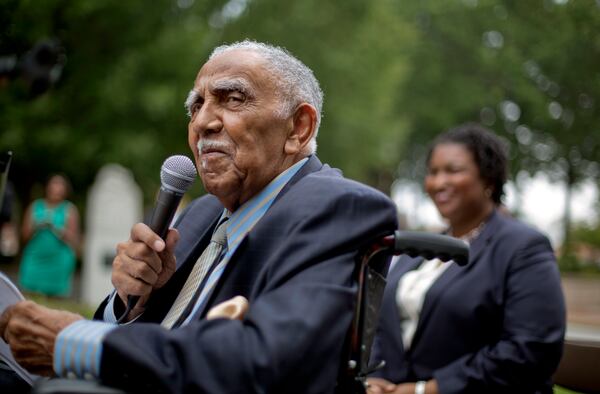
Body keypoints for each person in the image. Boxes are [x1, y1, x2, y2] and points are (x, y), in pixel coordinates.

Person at [0, 40, 398, 393]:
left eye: (232, 99)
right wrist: (130, 301)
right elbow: (153, 333)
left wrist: (77, 343)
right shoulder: (204, 212)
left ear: (299, 127)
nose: (202, 122)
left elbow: (268, 362)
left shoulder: (339, 207)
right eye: (197, 104)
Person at [367, 123, 565, 394]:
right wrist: (375, 378)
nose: (438, 182)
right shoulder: (419, 250)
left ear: (489, 180)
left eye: (453, 170)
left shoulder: (523, 247)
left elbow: (530, 349)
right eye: (433, 172)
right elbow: (380, 324)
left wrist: (426, 390)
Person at [19, 174, 80, 296]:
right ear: (47, 187)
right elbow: (24, 236)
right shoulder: (35, 206)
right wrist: (37, 225)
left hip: (58, 261)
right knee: (27, 296)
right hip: (35, 258)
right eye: (54, 184)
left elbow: (74, 240)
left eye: (60, 185)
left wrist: (56, 228)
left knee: (55, 301)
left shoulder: (69, 210)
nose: (57, 189)